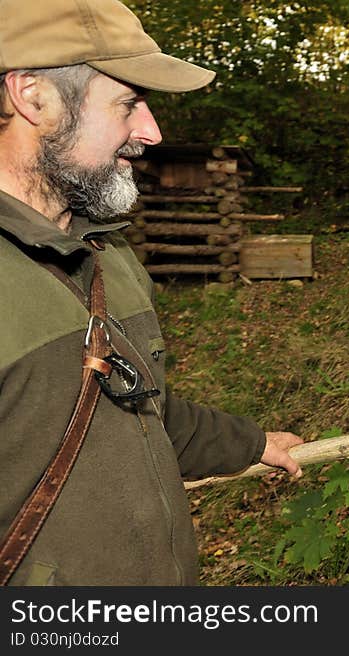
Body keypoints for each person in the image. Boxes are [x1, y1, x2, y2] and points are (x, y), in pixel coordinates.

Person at [0, 0, 303, 586]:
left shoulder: (108, 255)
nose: (151, 132)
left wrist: (250, 443)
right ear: (32, 96)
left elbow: (139, 411)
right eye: (129, 103)